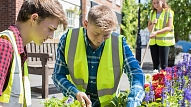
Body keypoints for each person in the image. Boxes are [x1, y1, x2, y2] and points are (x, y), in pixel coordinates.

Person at [52, 5, 145, 107]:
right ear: (86, 24)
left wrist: (133, 101)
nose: (100, 40)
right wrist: (75, 93)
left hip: (108, 105)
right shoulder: (68, 39)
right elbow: (58, 75)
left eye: (106, 35)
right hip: (76, 103)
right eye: (96, 34)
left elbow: (136, 73)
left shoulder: (119, 43)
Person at [0, 0, 67, 106]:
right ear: (34, 19)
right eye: (50, 29)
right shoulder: (4, 45)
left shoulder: (19, 50)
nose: (51, 36)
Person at [148, 0, 175, 70]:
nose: (156, 5)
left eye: (157, 2)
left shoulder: (168, 12)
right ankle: (155, 80)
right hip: (153, 42)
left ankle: (164, 80)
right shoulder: (151, 13)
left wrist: (157, 33)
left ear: (162, 1)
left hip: (164, 42)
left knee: (164, 65)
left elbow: (169, 27)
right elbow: (149, 28)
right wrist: (153, 23)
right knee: (155, 65)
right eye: (154, 3)